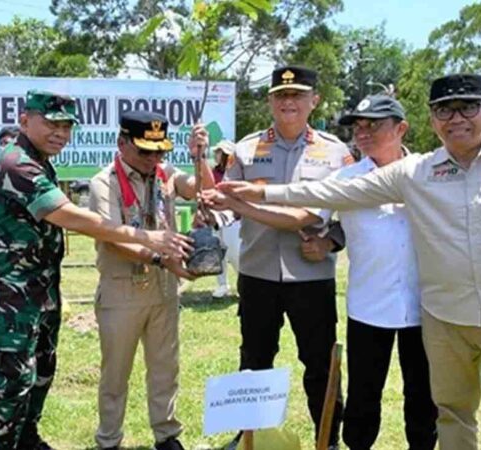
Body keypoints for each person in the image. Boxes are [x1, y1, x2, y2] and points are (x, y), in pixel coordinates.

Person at [215, 74, 481, 450]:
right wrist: (259, 193)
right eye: (445, 110)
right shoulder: (415, 173)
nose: (456, 118)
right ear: (433, 119)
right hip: (426, 313)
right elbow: (323, 196)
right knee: (443, 411)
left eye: (468, 107)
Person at [209, 95, 439, 449]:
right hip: (369, 307)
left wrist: (329, 242)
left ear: (401, 128)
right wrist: (241, 204)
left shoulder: (429, 172)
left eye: (373, 125)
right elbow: (300, 213)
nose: (362, 134)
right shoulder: (348, 178)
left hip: (423, 305)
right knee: (363, 401)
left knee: (423, 400)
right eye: (358, 127)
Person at [0, 90, 193, 450]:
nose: (59, 133)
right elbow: (69, 216)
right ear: (25, 120)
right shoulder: (16, 162)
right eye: (51, 123)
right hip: (10, 289)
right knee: (13, 378)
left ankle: (27, 438)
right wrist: (145, 237)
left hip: (40, 285)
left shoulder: (40, 160)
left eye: (66, 126)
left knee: (42, 370)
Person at [219, 65, 350, 448]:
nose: (288, 102)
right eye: (280, 95)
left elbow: (350, 217)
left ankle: (328, 439)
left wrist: (330, 243)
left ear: (314, 101)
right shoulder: (245, 149)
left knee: (321, 366)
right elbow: (228, 207)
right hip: (257, 273)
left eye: (297, 95)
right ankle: (250, 438)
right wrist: (214, 211)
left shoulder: (336, 153)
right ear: (270, 101)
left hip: (312, 278)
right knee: (254, 361)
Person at [90, 112, 215, 450]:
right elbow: (112, 237)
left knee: (165, 367)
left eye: (160, 151)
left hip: (164, 288)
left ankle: (167, 434)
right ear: (122, 143)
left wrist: (199, 156)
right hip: (122, 290)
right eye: (146, 151)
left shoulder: (164, 174)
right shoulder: (105, 182)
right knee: (115, 374)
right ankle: (109, 439)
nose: (154, 159)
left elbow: (204, 190)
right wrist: (160, 256)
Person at [210, 140, 236, 298]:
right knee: (218, 253)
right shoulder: (213, 172)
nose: (216, 155)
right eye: (217, 152)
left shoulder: (236, 172)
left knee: (235, 253)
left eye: (220, 152)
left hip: (233, 219)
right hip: (215, 218)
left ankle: (243, 283)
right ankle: (222, 285)